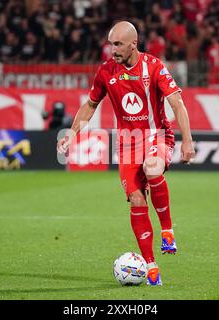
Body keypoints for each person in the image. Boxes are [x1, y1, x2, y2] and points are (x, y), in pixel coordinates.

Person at [56, 21, 195, 286]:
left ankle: (167, 229)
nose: (113, 49)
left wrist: (187, 141)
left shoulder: (153, 66)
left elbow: (177, 101)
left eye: (118, 44)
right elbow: (90, 105)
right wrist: (72, 133)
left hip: (156, 136)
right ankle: (151, 268)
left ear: (134, 43)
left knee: (152, 168)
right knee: (136, 199)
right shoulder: (106, 71)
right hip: (128, 144)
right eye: (110, 44)